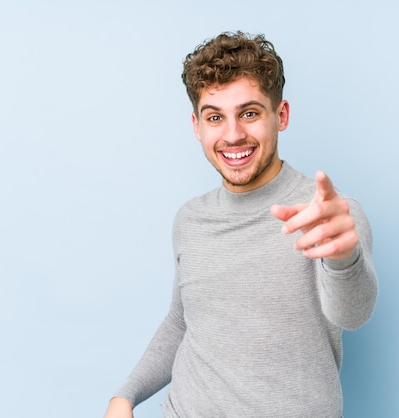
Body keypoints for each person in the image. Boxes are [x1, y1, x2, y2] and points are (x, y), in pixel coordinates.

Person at [103, 30, 378, 418]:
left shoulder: (330, 216)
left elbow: (353, 315)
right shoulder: (189, 219)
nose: (232, 135)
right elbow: (182, 322)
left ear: (280, 116)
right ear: (197, 126)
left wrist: (345, 257)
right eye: (215, 117)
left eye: (249, 113)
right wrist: (125, 395)